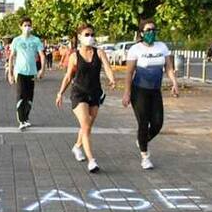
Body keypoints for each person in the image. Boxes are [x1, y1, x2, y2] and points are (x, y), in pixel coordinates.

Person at [56, 23, 116, 173]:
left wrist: (112, 79)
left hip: (95, 93)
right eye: (87, 35)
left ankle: (77, 147)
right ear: (80, 37)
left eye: (92, 34)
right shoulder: (74, 56)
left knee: (87, 127)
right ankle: (92, 161)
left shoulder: (99, 53)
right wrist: (60, 93)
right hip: (79, 93)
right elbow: (69, 76)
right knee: (86, 124)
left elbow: (108, 68)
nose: (90, 38)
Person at [122, 18, 179, 170]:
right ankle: (145, 156)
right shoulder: (135, 49)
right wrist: (127, 93)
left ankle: (142, 140)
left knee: (157, 123)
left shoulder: (162, 47)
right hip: (139, 90)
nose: (151, 33)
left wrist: (174, 83)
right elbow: (129, 72)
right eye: (148, 30)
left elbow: (168, 67)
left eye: (153, 30)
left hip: (155, 90)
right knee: (143, 122)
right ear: (141, 33)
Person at [8, 16, 45, 130]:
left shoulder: (36, 40)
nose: (27, 27)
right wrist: (10, 73)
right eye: (25, 25)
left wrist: (42, 69)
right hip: (19, 72)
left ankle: (26, 118)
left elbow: (42, 55)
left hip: (32, 72)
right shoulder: (16, 40)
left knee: (29, 97)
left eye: (29, 25)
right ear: (21, 27)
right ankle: (21, 120)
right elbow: (11, 57)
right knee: (21, 95)